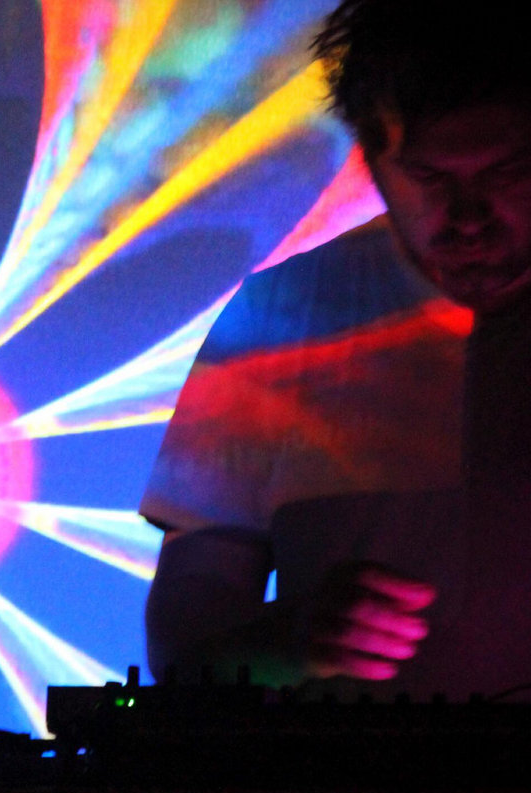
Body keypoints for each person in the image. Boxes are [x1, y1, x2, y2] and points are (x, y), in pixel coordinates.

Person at [141, 0, 531, 698]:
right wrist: (286, 643)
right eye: (431, 178)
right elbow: (182, 645)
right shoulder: (277, 318)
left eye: (507, 174)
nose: (470, 219)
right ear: (371, 162)